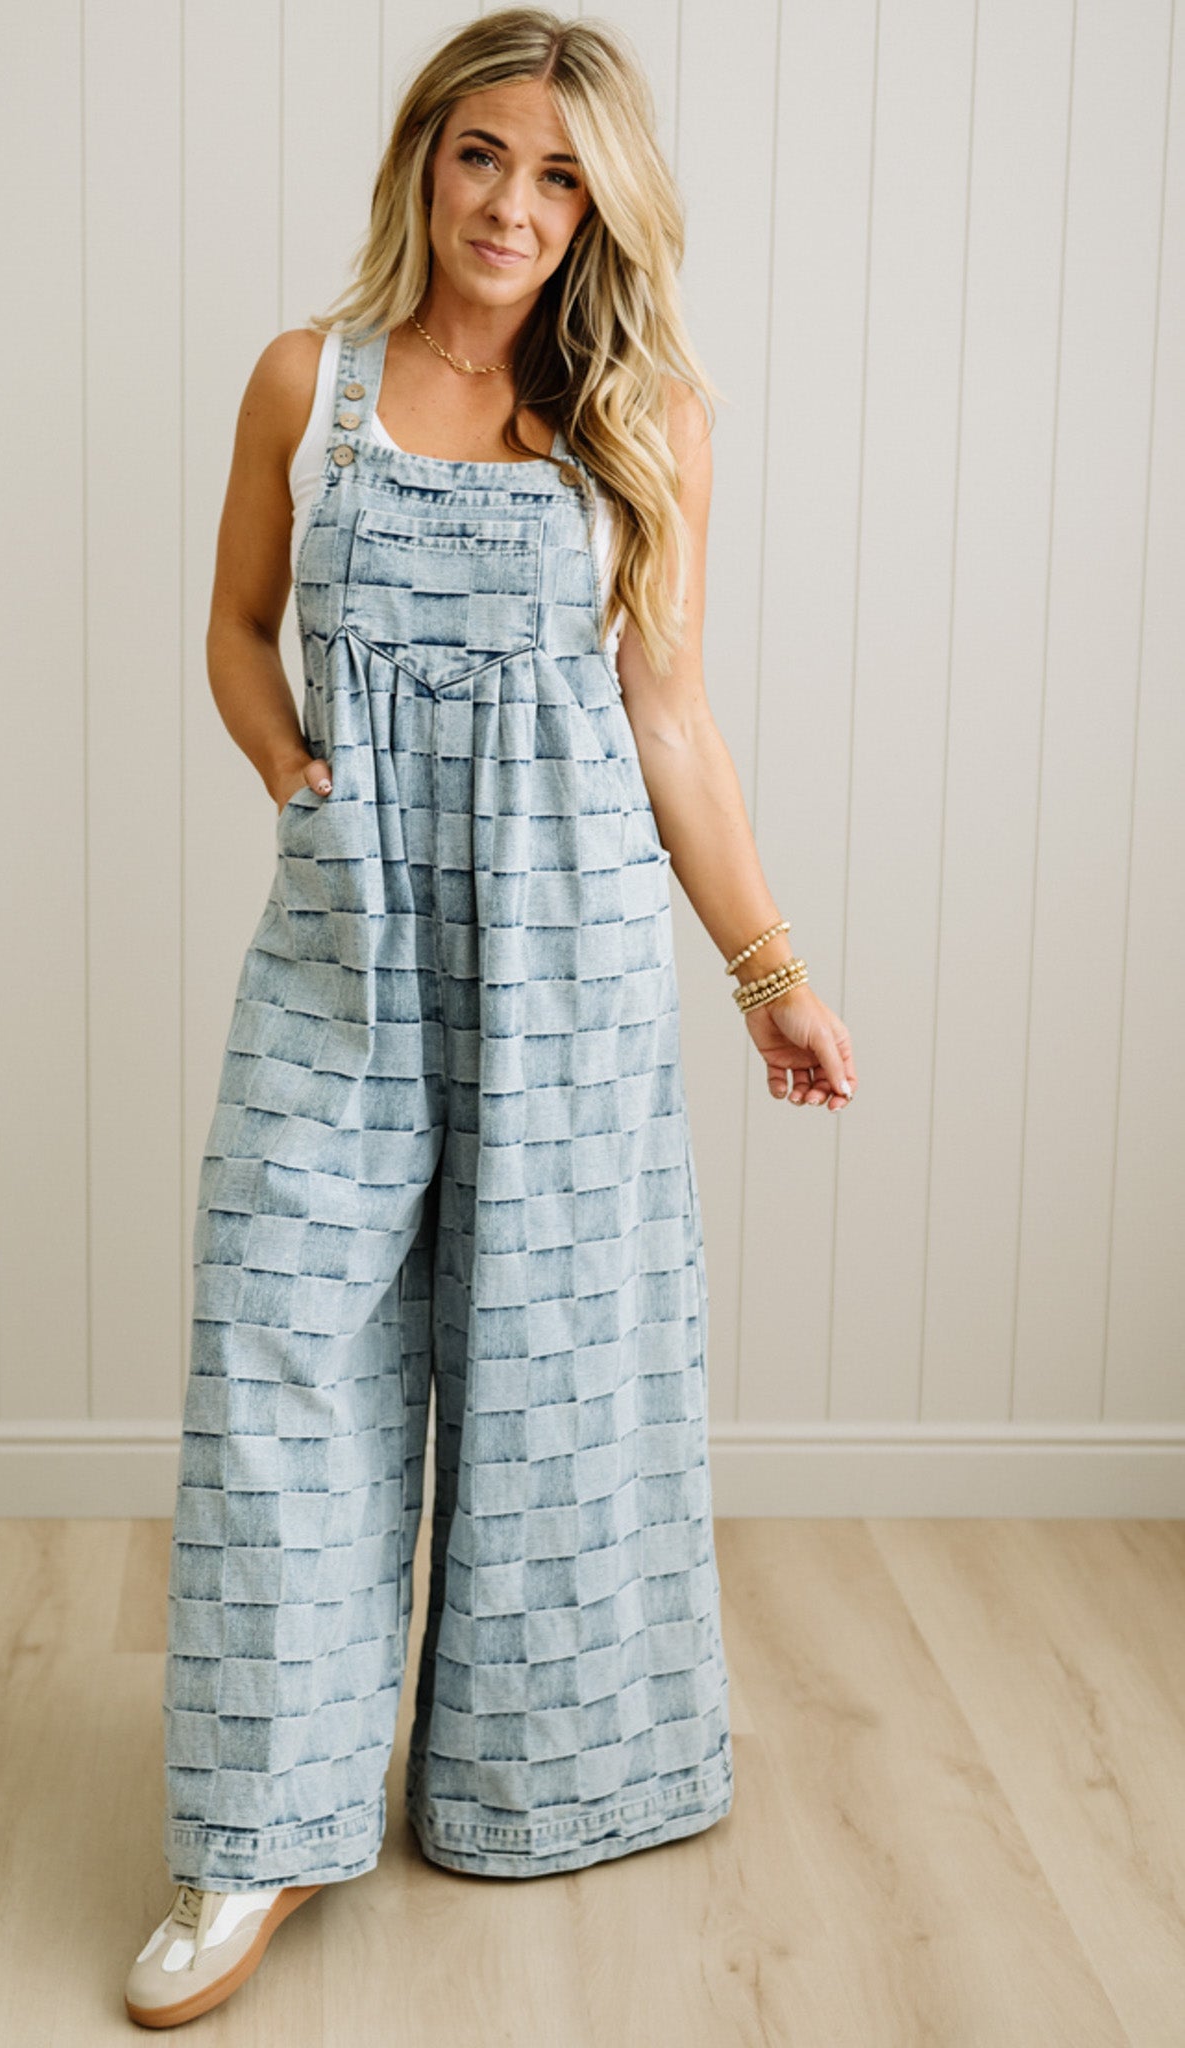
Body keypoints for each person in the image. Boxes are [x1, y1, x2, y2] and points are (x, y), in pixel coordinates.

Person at [125, 5, 857, 2029]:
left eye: (555, 174)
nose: (511, 207)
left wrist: (770, 974)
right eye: (479, 158)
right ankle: (258, 1831)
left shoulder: (651, 418)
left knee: (553, 1382)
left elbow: (669, 720)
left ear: (598, 203)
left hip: (575, 952)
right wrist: (291, 777)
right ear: (419, 161)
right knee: (280, 1341)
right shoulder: (311, 384)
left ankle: (537, 1781)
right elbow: (234, 625)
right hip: (343, 949)